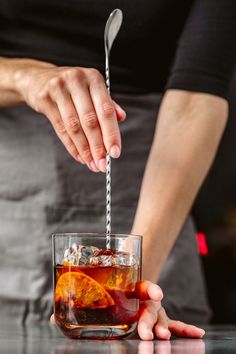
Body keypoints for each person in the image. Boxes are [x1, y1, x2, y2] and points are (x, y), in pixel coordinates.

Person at [0, 0, 235, 340]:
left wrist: (132, 290)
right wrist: (22, 77)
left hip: (155, 211)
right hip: (10, 218)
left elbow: (196, 97)